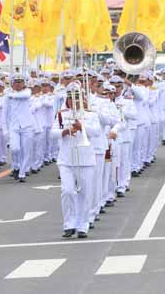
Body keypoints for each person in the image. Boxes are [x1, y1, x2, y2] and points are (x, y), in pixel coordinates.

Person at [57, 82, 98, 238]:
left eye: (77, 98)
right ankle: (69, 224)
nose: (74, 101)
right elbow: (53, 133)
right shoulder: (61, 114)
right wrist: (66, 131)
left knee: (85, 193)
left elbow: (97, 132)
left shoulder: (90, 114)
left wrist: (82, 127)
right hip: (66, 159)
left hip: (86, 159)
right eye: (71, 98)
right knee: (67, 191)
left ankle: (83, 225)